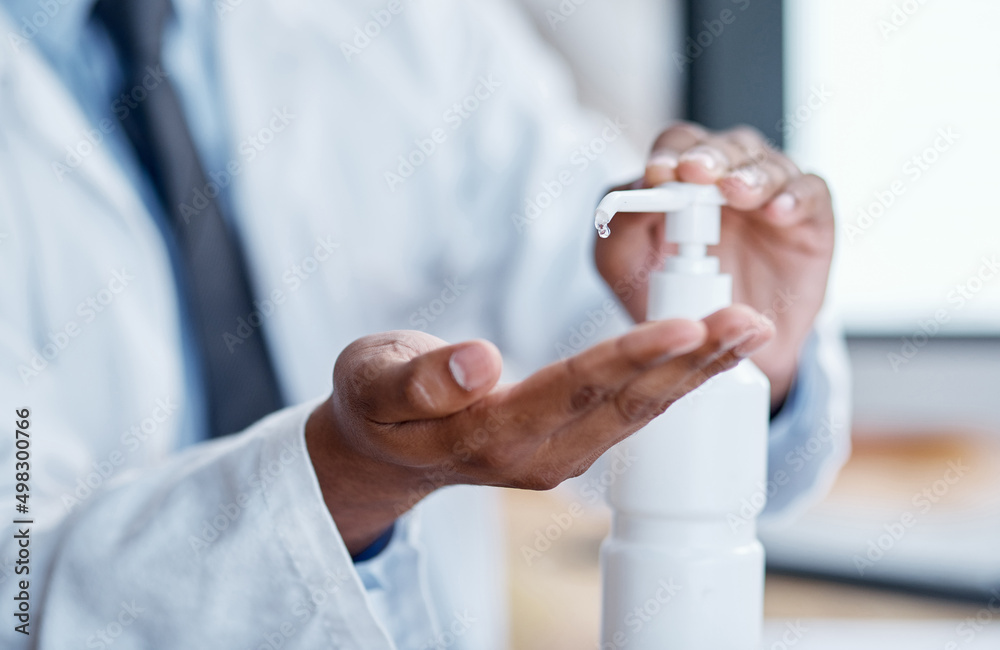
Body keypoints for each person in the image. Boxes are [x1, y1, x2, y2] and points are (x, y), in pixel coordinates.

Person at [0, 0, 850, 648]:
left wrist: (728, 345)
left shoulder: (409, 27)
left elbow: (593, 286)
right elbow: (19, 592)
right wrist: (344, 483)